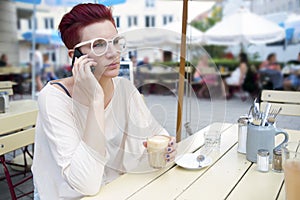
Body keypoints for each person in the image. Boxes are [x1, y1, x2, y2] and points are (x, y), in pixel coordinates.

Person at [31, 3, 177, 199]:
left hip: (117, 190)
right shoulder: (54, 97)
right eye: (99, 45)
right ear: (75, 57)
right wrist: (96, 100)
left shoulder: (124, 88)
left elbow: (157, 134)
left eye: (115, 41)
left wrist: (167, 147)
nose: (113, 52)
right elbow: (86, 185)